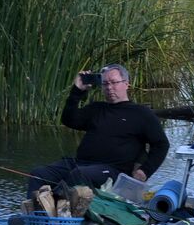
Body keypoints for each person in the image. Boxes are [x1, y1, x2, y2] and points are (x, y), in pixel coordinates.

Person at [27, 64, 169, 194]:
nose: (109, 87)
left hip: (113, 171)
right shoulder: (97, 108)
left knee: (80, 175)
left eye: (114, 82)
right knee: (39, 173)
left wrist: (145, 171)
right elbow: (69, 120)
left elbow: (161, 144)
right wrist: (77, 91)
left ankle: (56, 207)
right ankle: (35, 214)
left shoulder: (141, 113)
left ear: (126, 84)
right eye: (105, 84)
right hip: (80, 163)